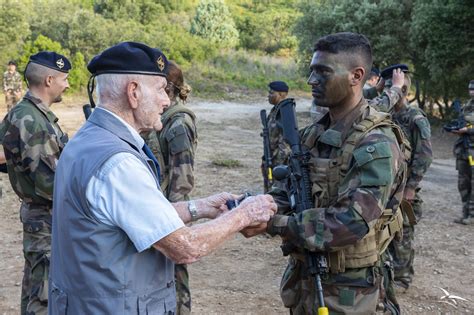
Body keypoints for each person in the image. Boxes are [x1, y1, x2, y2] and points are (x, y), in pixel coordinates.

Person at [49, 42, 277, 314]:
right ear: (133, 92)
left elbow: (129, 214)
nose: (167, 100)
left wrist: (202, 207)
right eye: (160, 90)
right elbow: (186, 247)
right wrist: (244, 214)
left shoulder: (90, 140)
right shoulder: (118, 163)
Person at [243, 32, 408, 314]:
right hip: (307, 279)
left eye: (323, 72)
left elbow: (350, 222)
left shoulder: (376, 143)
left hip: (351, 292)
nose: (311, 81)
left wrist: (275, 225)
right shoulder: (312, 134)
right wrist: (259, 207)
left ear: (356, 76)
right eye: (311, 71)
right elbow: (287, 191)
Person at [0, 51, 70, 315]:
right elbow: (49, 184)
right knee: (42, 296)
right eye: (64, 79)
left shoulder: (25, 112)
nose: (68, 84)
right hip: (46, 219)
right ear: (49, 80)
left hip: (39, 217)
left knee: (34, 289)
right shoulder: (33, 120)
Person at [144, 60, 196, 314]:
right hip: (155, 209)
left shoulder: (178, 123)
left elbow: (183, 178)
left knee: (175, 277)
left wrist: (173, 221)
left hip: (168, 214)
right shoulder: (159, 117)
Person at [384, 65, 433, 289]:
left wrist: (411, 186)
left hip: (405, 187)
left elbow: (424, 155)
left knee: (402, 232)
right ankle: (388, 273)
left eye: (392, 88)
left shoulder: (415, 118)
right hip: (388, 185)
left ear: (403, 91)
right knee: (386, 231)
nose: (387, 93)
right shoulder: (387, 116)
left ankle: (402, 277)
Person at [452, 80, 474, 225]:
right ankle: (465, 213)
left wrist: (469, 130)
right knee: (463, 183)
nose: (472, 91)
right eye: (470, 89)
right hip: (463, 151)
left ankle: (471, 215)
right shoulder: (466, 106)